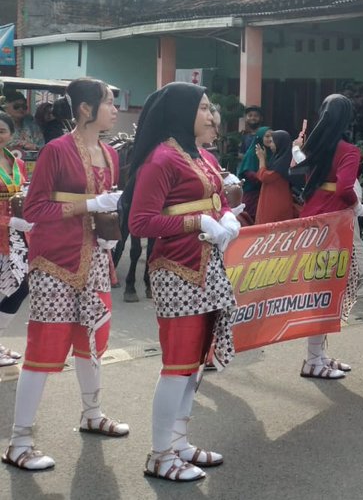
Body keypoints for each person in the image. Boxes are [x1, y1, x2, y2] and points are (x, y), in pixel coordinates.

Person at [4, 78, 126, 471]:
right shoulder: (56, 151)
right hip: (54, 262)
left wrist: (107, 223)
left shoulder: (111, 154)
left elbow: (105, 206)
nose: (115, 109)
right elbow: (35, 209)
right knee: (44, 348)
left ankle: (92, 414)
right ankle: (20, 441)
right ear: (86, 109)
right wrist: (90, 204)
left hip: (96, 261)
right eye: (109, 102)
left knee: (93, 341)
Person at [125, 83, 240, 481]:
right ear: (181, 111)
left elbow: (218, 201)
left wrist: (227, 217)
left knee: (194, 364)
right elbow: (140, 221)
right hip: (176, 270)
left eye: (211, 108)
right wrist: (198, 221)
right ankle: (160, 454)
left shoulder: (203, 157)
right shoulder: (161, 159)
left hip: (209, 268)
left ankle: (179, 441)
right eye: (204, 108)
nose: (212, 116)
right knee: (177, 364)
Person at [292, 94, 363, 379]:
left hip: (313, 222)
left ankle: (319, 356)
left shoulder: (314, 146)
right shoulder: (349, 150)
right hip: (333, 227)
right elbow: (345, 187)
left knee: (321, 290)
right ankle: (313, 360)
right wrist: (358, 207)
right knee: (326, 292)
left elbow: (298, 169)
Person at [0, 112, 33, 366]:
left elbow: (22, 193)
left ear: (11, 134)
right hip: (4, 229)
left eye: (2, 130)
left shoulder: (17, 162)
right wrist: (9, 221)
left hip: (18, 237)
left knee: (22, 286)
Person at [253, 130, 297, 224]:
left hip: (276, 202)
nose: (270, 145)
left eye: (272, 142)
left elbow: (264, 177)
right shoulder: (278, 159)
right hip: (270, 199)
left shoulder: (283, 163)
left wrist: (261, 159)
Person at [235, 126, 270, 224]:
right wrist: (263, 177)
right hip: (252, 194)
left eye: (272, 136)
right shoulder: (251, 154)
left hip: (266, 193)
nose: (270, 139)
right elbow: (247, 172)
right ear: (260, 137)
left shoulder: (271, 151)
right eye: (267, 136)